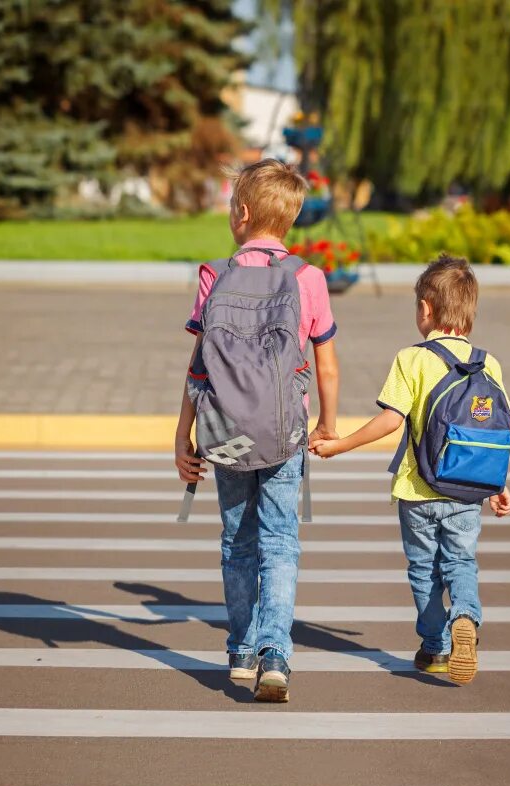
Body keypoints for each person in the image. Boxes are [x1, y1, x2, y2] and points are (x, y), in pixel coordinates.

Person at [174, 159, 341, 702]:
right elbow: (327, 366)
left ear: (241, 213)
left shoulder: (213, 276)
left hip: (225, 435)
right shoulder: (308, 278)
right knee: (280, 543)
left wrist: (184, 435)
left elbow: (198, 365)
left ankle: (241, 651)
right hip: (284, 432)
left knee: (236, 542)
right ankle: (276, 654)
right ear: (289, 219)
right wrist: (328, 425)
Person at [310, 254, 510, 685]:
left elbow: (391, 420)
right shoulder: (488, 364)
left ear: (425, 309)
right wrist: (498, 485)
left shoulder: (412, 359)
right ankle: (466, 617)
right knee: (461, 561)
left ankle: (435, 647)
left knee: (423, 570)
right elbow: (489, 434)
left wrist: (339, 445)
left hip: (418, 490)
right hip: (469, 489)